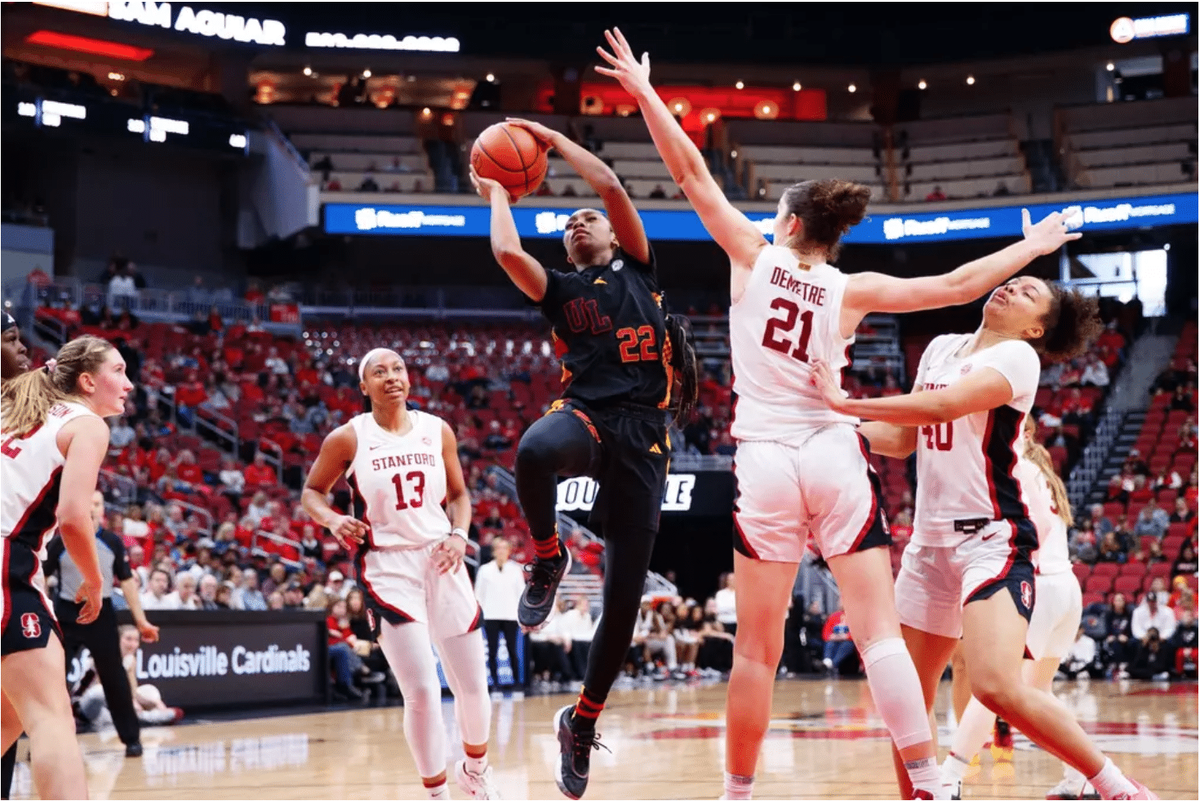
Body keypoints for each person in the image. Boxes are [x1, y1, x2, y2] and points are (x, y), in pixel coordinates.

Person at [596, 26, 1085, 802]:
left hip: (763, 456)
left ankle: (738, 792)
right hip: (834, 447)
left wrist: (645, 91)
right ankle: (926, 779)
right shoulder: (850, 290)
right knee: (880, 633)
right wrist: (1030, 248)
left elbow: (689, 171)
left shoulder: (751, 257)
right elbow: (957, 284)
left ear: (788, 223)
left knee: (756, 652)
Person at [810, 277, 1155, 799]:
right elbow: (904, 440)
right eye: (1012, 283)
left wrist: (844, 404)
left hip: (991, 538)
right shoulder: (941, 348)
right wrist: (828, 428)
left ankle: (1115, 786)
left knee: (995, 685)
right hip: (929, 545)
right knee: (906, 699)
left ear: (1036, 326)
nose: (1011, 289)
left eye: (1027, 294)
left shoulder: (1020, 357)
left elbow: (941, 407)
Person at [470, 111, 698, 801]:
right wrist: (501, 194)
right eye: (567, 223)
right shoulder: (562, 290)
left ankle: (582, 720)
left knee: (625, 597)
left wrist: (549, 139)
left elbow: (609, 186)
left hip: (647, 435)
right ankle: (547, 555)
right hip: (590, 416)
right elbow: (510, 255)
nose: (579, 223)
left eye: (585, 220)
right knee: (535, 449)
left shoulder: (641, 268)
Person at [301, 348, 498, 800]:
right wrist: (332, 520)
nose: (392, 377)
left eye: (398, 369)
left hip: (442, 558)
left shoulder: (437, 430)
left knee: (472, 684)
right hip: (387, 565)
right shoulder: (348, 438)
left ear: (409, 380)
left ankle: (476, 772)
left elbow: (460, 495)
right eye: (379, 371)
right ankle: (436, 793)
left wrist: (459, 535)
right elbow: (312, 491)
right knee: (424, 692)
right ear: (363, 386)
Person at [2, 334, 132, 799]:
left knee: (10, 716)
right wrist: (96, 581)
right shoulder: (87, 424)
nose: (128, 383)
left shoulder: (21, 411)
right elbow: (76, 517)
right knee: (52, 713)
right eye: (118, 371)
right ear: (86, 380)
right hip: (6, 562)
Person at [940, 420, 1095, 799]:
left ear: (1025, 434)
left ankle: (949, 777)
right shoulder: (1039, 469)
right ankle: (1081, 779)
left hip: (1039, 584)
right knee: (1039, 691)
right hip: (1064, 587)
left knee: (995, 690)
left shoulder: (1018, 468)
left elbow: (1034, 528)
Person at [43, 490, 160, 758]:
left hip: (102, 614)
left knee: (114, 677)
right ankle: (48, 743)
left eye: (96, 503)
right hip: (66, 614)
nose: (91, 507)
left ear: (103, 509)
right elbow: (40, 576)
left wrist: (141, 621)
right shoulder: (60, 542)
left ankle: (131, 738)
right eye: (87, 502)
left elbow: (127, 582)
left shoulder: (113, 542)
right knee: (54, 679)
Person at [473, 536, 526, 693]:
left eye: (505, 548)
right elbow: (478, 594)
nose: (502, 551)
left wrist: (521, 616)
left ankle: (517, 681)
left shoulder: (516, 570)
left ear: (509, 551)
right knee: (493, 650)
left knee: (512, 650)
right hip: (491, 615)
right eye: (499, 548)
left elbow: (521, 594)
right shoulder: (485, 570)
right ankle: (494, 682)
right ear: (494, 551)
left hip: (510, 615)